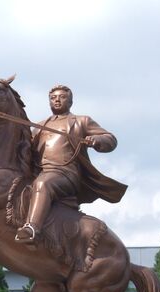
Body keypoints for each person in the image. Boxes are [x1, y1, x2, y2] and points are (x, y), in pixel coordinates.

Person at [15, 85, 127, 242]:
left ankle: (32, 228)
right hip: (40, 172)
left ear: (70, 101)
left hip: (66, 174)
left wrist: (96, 140)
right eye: (53, 98)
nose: (57, 100)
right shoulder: (40, 126)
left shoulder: (82, 121)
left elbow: (110, 139)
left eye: (62, 97)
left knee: (42, 184)